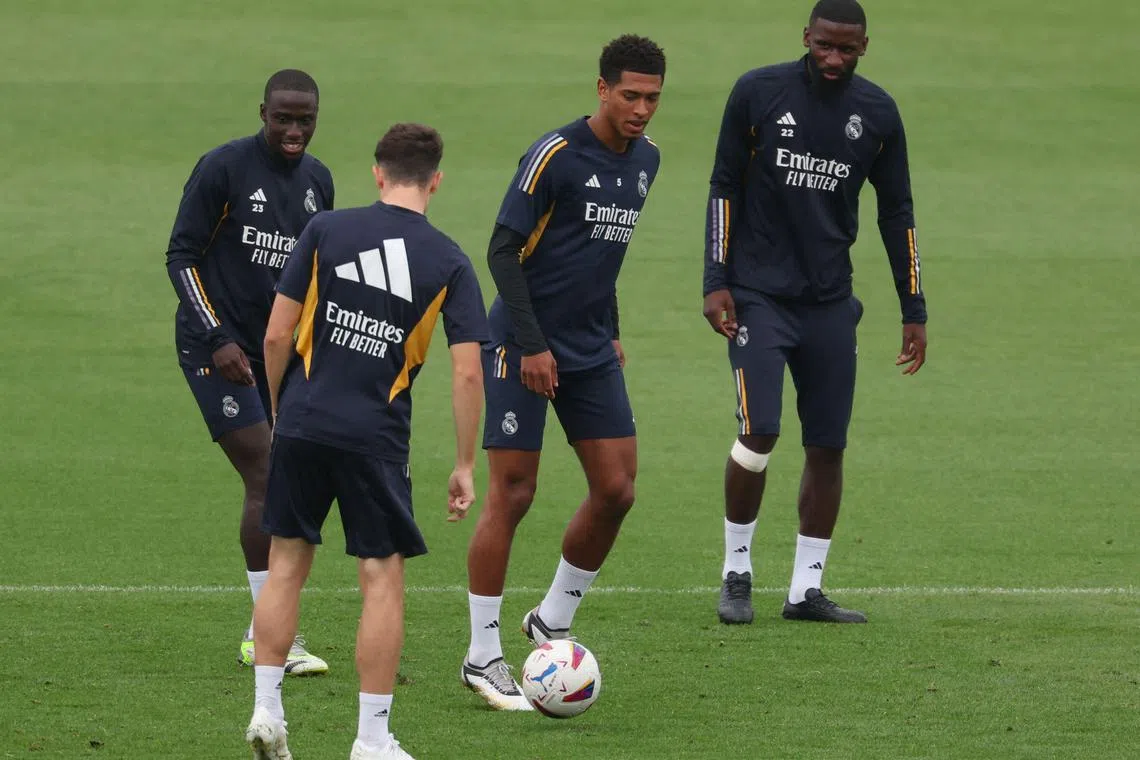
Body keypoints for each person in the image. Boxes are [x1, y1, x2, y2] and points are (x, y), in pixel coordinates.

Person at [244, 123, 488, 759]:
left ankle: (268, 710)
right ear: (436, 180)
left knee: (286, 565)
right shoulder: (451, 261)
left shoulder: (325, 230)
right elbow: (468, 370)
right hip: (375, 438)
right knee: (381, 580)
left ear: (378, 173)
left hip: (300, 422)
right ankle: (371, 742)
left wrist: (279, 411)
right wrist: (464, 463)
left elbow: (275, 335)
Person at [702, 0, 929, 625]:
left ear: (864, 47)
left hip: (830, 302)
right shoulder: (758, 93)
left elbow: (897, 212)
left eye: (846, 49)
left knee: (828, 445)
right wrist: (715, 281)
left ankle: (805, 590)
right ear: (806, 37)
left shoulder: (878, 113)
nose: (833, 59)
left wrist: (914, 307)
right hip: (758, 296)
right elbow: (724, 184)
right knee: (761, 430)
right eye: (824, 45)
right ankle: (737, 571)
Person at [459, 34, 666, 711]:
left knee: (617, 488)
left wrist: (612, 330)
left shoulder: (647, 162)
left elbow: (597, 257)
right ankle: (483, 654)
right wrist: (531, 345)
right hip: (520, 344)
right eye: (630, 95)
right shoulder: (555, 154)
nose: (641, 109)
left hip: (588, 347)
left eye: (652, 99)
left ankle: (551, 619)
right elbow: (501, 248)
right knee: (513, 493)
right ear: (602, 89)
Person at [164, 69, 334, 672]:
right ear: (262, 111)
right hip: (217, 352)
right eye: (282, 118)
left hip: (276, 353)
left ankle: (271, 627)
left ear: (317, 117)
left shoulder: (318, 181)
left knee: (287, 475)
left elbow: (315, 275)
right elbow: (181, 256)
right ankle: (267, 636)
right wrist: (216, 337)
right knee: (266, 471)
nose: (293, 130)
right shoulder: (224, 169)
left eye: (304, 120)